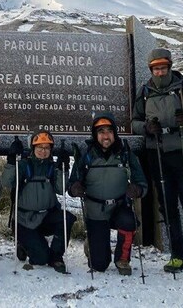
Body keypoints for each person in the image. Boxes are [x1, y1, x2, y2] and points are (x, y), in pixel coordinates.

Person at [131, 48, 183, 277]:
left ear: (169, 66)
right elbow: (134, 121)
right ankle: (177, 255)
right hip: (156, 153)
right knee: (167, 207)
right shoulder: (145, 92)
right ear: (151, 69)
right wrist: (146, 128)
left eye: (163, 68)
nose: (159, 72)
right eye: (156, 68)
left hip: (182, 151)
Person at [68, 113, 147, 276]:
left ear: (115, 133)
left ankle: (122, 259)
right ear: (95, 135)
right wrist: (75, 188)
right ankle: (92, 243)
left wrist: (138, 189)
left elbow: (141, 181)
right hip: (96, 211)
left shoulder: (125, 153)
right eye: (101, 131)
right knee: (99, 265)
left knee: (128, 220)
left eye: (109, 131)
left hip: (119, 206)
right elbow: (72, 183)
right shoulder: (86, 155)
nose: (106, 135)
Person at [2, 130, 76, 273]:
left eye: (47, 148)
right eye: (39, 147)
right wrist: (11, 161)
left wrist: (64, 168)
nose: (43, 151)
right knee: (40, 259)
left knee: (66, 218)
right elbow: (6, 182)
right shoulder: (23, 165)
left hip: (47, 216)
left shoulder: (52, 167)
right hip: (24, 220)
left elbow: (61, 189)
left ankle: (56, 257)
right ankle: (24, 244)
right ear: (33, 148)